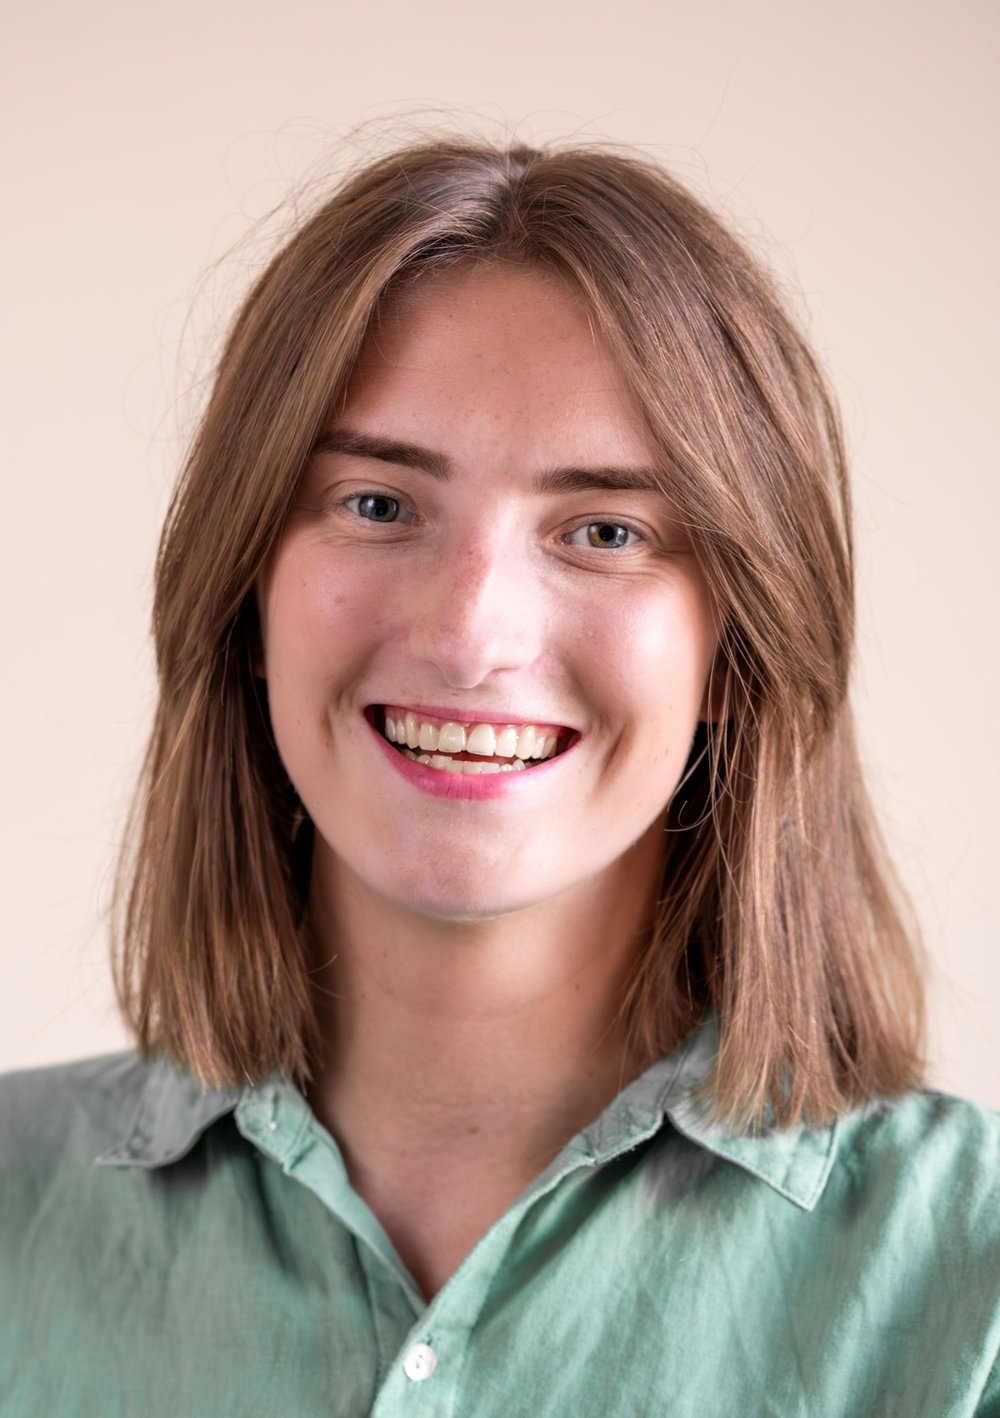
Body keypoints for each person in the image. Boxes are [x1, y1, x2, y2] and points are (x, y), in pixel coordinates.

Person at [1, 136, 997, 1416]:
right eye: (375, 504)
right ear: (246, 588)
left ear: (738, 641)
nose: (472, 636)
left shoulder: (968, 1280)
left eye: (603, 531)